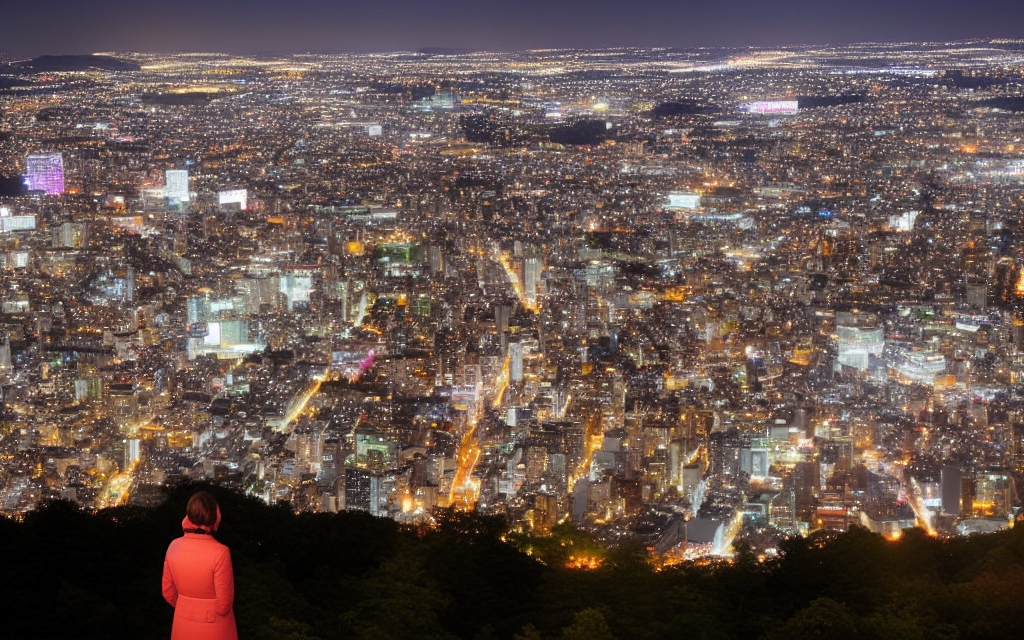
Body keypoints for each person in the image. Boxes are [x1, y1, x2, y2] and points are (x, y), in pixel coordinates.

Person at [162, 491, 238, 640]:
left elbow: (168, 592)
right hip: (214, 627)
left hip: (182, 623)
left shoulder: (173, 546)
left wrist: (187, 606)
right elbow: (224, 604)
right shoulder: (221, 552)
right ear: (215, 516)